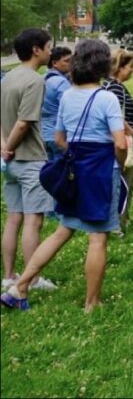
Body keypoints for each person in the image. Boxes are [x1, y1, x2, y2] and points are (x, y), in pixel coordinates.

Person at [1, 39, 127, 312]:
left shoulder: (68, 95)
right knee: (98, 236)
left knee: (61, 231)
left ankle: (19, 286)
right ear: (103, 64)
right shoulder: (107, 98)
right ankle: (92, 302)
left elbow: (59, 139)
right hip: (101, 172)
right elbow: (120, 143)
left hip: (74, 170)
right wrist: (121, 163)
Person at [1, 28, 58, 293]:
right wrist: (9, 147)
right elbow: (24, 123)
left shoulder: (8, 78)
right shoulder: (35, 81)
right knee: (33, 221)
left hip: (10, 164)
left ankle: (9, 274)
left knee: (14, 219)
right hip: (30, 160)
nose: (51, 51)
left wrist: (3, 148)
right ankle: (31, 279)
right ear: (36, 49)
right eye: (48, 46)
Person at [104, 49, 133, 234]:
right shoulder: (115, 87)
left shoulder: (111, 85)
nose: (132, 70)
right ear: (119, 68)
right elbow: (118, 118)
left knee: (124, 182)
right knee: (125, 183)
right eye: (130, 66)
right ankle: (118, 223)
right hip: (126, 142)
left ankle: (123, 218)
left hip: (125, 140)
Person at [41, 46, 73, 161]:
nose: (71, 63)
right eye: (67, 61)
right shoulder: (61, 82)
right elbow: (70, 108)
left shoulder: (43, 78)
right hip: (57, 135)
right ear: (55, 63)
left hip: (42, 133)